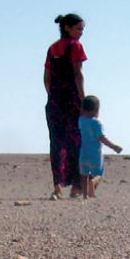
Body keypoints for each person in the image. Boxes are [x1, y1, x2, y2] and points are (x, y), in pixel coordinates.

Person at [44, 13, 87, 199]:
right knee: (75, 142)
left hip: (55, 101)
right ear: (67, 28)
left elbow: (47, 77)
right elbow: (78, 74)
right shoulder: (75, 46)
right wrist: (82, 99)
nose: (81, 32)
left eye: (82, 29)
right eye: (78, 29)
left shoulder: (52, 48)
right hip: (71, 100)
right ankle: (76, 187)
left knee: (56, 142)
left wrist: (52, 95)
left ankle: (57, 187)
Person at [78, 95, 122, 198]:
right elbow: (101, 137)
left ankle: (85, 194)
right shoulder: (96, 122)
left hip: (83, 153)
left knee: (84, 174)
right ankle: (92, 183)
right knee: (99, 174)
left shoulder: (81, 120)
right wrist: (113, 146)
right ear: (96, 110)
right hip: (95, 154)